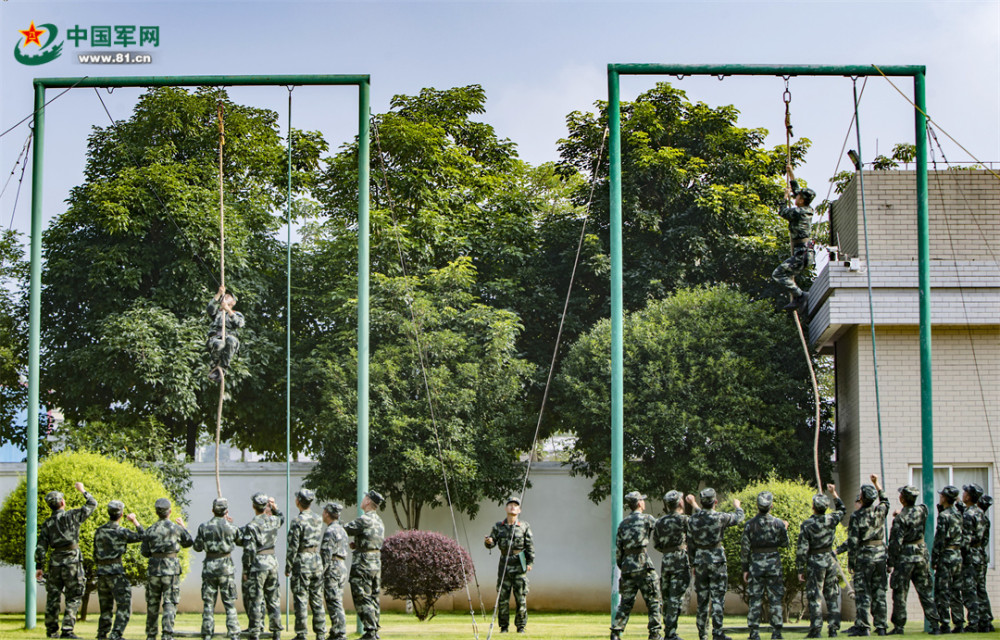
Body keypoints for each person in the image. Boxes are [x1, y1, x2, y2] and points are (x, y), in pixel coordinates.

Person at [35, 482, 97, 639]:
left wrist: (39, 566)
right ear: (62, 502)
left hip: (55, 562)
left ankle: (51, 631)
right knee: (74, 596)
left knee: (53, 597)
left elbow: (41, 547)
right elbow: (92, 503)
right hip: (72, 561)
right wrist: (82, 490)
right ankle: (67, 630)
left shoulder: (47, 524)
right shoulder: (72, 516)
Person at [688, 488, 744, 640]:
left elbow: (690, 543)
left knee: (702, 600)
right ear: (716, 502)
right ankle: (717, 632)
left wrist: (693, 563)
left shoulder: (693, 520)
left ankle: (702, 634)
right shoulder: (720, 517)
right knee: (718, 598)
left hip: (700, 561)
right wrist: (737, 505)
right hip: (717, 559)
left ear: (701, 502)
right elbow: (739, 518)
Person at [886, 485, 939, 635]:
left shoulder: (900, 519)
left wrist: (890, 563)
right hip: (921, 556)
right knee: (926, 592)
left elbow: (895, 543)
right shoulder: (922, 511)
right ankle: (935, 624)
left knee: (900, 593)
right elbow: (920, 508)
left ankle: (899, 626)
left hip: (905, 558)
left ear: (902, 499)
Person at [796, 484, 845, 639]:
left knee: (815, 596)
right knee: (831, 595)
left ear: (813, 507)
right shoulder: (832, 519)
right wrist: (834, 493)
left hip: (815, 561)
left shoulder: (807, 524)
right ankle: (833, 629)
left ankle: (816, 630)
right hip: (829, 560)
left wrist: (799, 569)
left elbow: (802, 549)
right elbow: (842, 510)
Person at [611, 491, 662, 640]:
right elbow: (661, 527)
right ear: (639, 503)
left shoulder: (623, 524)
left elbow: (618, 551)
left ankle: (616, 632)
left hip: (627, 566)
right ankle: (655, 634)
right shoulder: (647, 519)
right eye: (643, 500)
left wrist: (624, 566)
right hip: (643, 564)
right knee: (654, 600)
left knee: (625, 603)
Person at [141, 497, 194, 640]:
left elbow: (144, 552)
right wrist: (183, 526)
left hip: (154, 570)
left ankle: (151, 635)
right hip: (171, 570)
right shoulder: (176, 529)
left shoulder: (150, 530)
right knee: (170, 602)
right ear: (169, 511)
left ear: (156, 512)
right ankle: (167, 634)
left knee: (152, 603)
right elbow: (189, 542)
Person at [844, 475, 890, 637]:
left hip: (864, 556)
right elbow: (885, 500)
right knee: (879, 592)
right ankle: (881, 625)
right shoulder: (880, 511)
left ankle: (864, 626)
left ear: (862, 498)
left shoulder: (857, 516)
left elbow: (853, 542)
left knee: (863, 592)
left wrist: (852, 563)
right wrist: (876, 484)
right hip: (880, 555)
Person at [93, 500, 144, 640]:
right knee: (124, 604)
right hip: (116, 573)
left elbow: (95, 553)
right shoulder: (122, 532)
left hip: (102, 572)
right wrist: (135, 521)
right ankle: (115, 634)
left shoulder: (99, 531)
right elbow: (142, 536)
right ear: (121, 514)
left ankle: (101, 634)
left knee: (105, 607)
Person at [742, 491, 789, 640]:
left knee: (755, 598)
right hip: (773, 563)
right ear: (771, 506)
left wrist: (745, 569)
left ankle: (754, 632)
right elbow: (785, 544)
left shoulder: (750, 524)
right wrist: (784, 529)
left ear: (757, 506)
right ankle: (776, 632)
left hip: (756, 563)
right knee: (775, 598)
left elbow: (744, 549)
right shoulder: (778, 523)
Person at [193, 497, 242, 640]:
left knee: (208, 602)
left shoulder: (204, 527)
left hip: (210, 566)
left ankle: (207, 633)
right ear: (226, 511)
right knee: (229, 602)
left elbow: (197, 547)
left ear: (213, 510)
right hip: (226, 567)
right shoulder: (232, 527)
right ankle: (233, 633)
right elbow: (241, 541)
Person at [484, 497, 535, 634]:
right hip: (504, 562)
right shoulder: (498, 526)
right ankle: (504, 627)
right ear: (506, 508)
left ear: (519, 510)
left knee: (521, 597)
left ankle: (521, 627)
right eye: (510, 505)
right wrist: (489, 542)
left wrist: (530, 562)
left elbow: (530, 546)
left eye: (515, 505)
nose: (513, 507)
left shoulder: (524, 526)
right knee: (503, 597)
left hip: (519, 562)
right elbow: (492, 542)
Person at [653, 491, 696, 640]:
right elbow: (701, 522)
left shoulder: (659, 522)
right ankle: (670, 634)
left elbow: (656, 544)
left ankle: (669, 631)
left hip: (666, 561)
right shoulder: (684, 520)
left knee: (667, 597)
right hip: (679, 561)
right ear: (680, 503)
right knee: (674, 598)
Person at [771, 166, 816, 311]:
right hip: (804, 252)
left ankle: (800, 295)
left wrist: (784, 197)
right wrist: (791, 174)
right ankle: (798, 298)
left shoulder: (799, 212)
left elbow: (783, 212)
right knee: (785, 273)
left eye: (797, 197)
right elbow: (797, 191)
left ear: (801, 201)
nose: (795, 197)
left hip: (801, 254)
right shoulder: (806, 209)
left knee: (778, 274)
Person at [344, 490, 386, 640]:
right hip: (375, 562)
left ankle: (370, 630)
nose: (362, 500)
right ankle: (374, 631)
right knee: (374, 596)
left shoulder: (364, 519)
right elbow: (373, 540)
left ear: (368, 502)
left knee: (361, 595)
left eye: (364, 498)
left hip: (363, 563)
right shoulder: (379, 521)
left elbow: (345, 530)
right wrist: (359, 544)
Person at [242, 493, 285, 640]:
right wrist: (275, 507)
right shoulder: (273, 520)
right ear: (265, 506)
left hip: (258, 563)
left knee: (255, 598)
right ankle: (276, 632)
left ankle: (255, 632)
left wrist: (246, 569)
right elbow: (282, 518)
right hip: (272, 562)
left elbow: (248, 550)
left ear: (254, 506)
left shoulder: (252, 526)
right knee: (273, 598)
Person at [286, 488, 326, 640]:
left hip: (302, 560)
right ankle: (321, 632)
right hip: (316, 559)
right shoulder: (318, 519)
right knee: (317, 598)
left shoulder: (297, 521)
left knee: (301, 598)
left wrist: (288, 566)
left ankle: (302, 633)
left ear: (298, 502)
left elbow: (292, 546)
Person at [932, 485, 965, 634]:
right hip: (957, 555)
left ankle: (944, 623)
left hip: (946, 556)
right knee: (956, 591)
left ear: (945, 498)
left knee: (942, 591)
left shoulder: (944, 516)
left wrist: (934, 559)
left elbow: (939, 539)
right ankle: (959, 623)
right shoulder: (959, 514)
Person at [960, 483, 989, 632]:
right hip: (980, 554)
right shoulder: (981, 513)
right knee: (981, 588)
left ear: (969, 496)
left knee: (969, 589)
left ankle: (973, 622)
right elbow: (985, 538)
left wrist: (962, 555)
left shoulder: (968, 514)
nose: (963, 494)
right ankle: (986, 621)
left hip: (970, 555)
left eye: (965, 492)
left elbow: (965, 540)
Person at [320, 502, 349, 640]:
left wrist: (320, 572)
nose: (323, 514)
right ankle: (336, 629)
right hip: (341, 566)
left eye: (324, 511)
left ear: (327, 513)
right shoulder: (342, 529)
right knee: (337, 599)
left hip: (332, 567)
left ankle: (340, 632)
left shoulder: (330, 531)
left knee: (333, 600)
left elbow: (326, 554)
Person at [207, 285, 244, 382]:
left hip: (229, 338)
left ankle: (222, 369)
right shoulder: (217, 312)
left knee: (231, 340)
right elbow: (210, 309)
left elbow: (239, 323)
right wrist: (219, 293)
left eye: (229, 296)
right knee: (219, 344)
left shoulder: (236, 314)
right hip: (216, 338)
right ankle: (214, 367)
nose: (226, 296)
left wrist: (228, 310)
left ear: (233, 302)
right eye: (225, 295)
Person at [977, 495, 994, 632]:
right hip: (981, 556)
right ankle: (987, 618)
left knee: (973, 589)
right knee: (981, 589)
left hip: (973, 557)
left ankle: (980, 621)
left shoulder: (974, 516)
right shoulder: (985, 519)